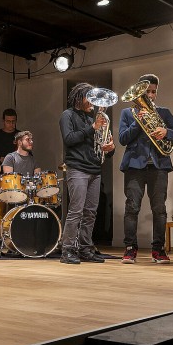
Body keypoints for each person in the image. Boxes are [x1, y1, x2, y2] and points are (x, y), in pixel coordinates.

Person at [118, 74, 173, 265]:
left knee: (159, 209)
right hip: (134, 166)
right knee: (132, 208)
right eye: (147, 92)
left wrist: (166, 132)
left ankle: (158, 249)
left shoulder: (164, 112)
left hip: (159, 166)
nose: (151, 95)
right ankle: (130, 249)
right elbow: (123, 139)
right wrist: (137, 122)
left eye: (153, 92)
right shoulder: (128, 113)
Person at [58, 82, 115, 265]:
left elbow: (103, 147)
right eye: (89, 97)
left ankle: (85, 248)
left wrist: (110, 148)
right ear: (79, 98)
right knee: (76, 211)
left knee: (90, 212)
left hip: (95, 169)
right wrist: (93, 128)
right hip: (77, 168)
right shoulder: (67, 115)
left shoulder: (93, 118)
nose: (93, 101)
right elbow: (69, 139)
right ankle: (67, 249)